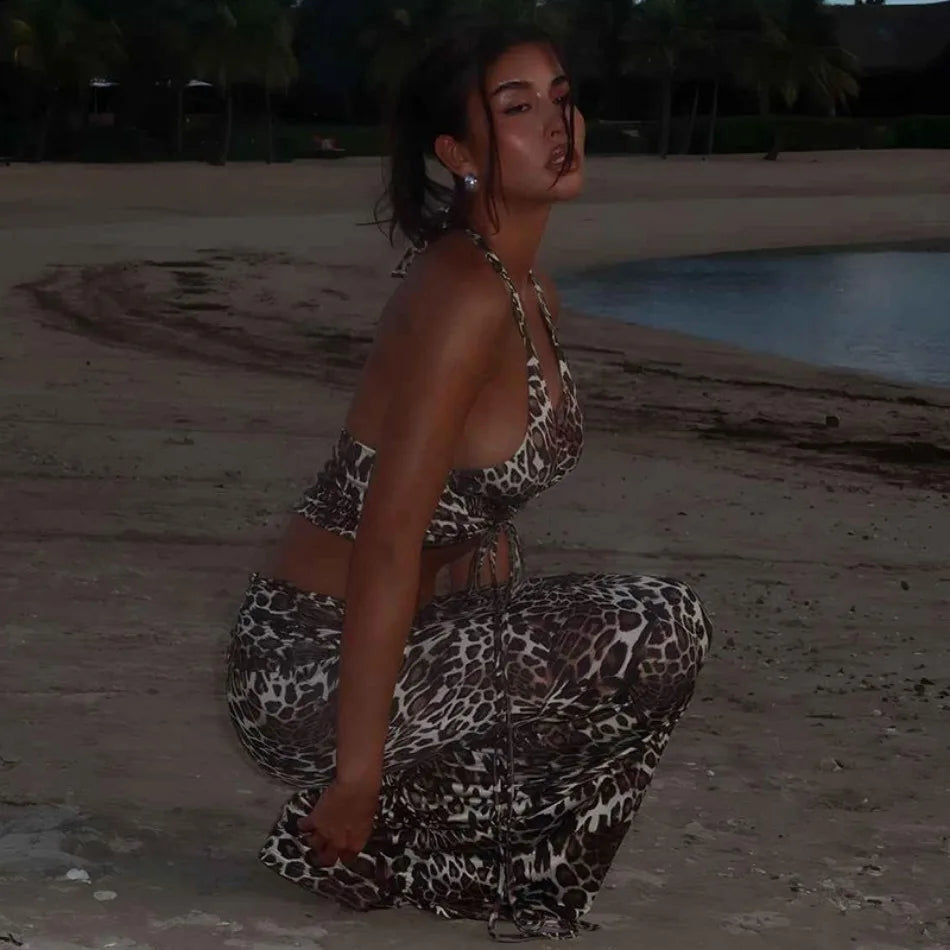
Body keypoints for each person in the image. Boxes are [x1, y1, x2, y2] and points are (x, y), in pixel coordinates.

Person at [226, 19, 711, 941]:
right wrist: (356, 775)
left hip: (410, 640)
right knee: (657, 623)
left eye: (561, 99)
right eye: (517, 109)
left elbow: (468, 505)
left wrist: (486, 565)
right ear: (459, 153)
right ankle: (402, 831)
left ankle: (423, 857)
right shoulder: (462, 292)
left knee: (569, 602)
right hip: (307, 666)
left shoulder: (528, 291)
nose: (557, 126)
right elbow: (385, 540)